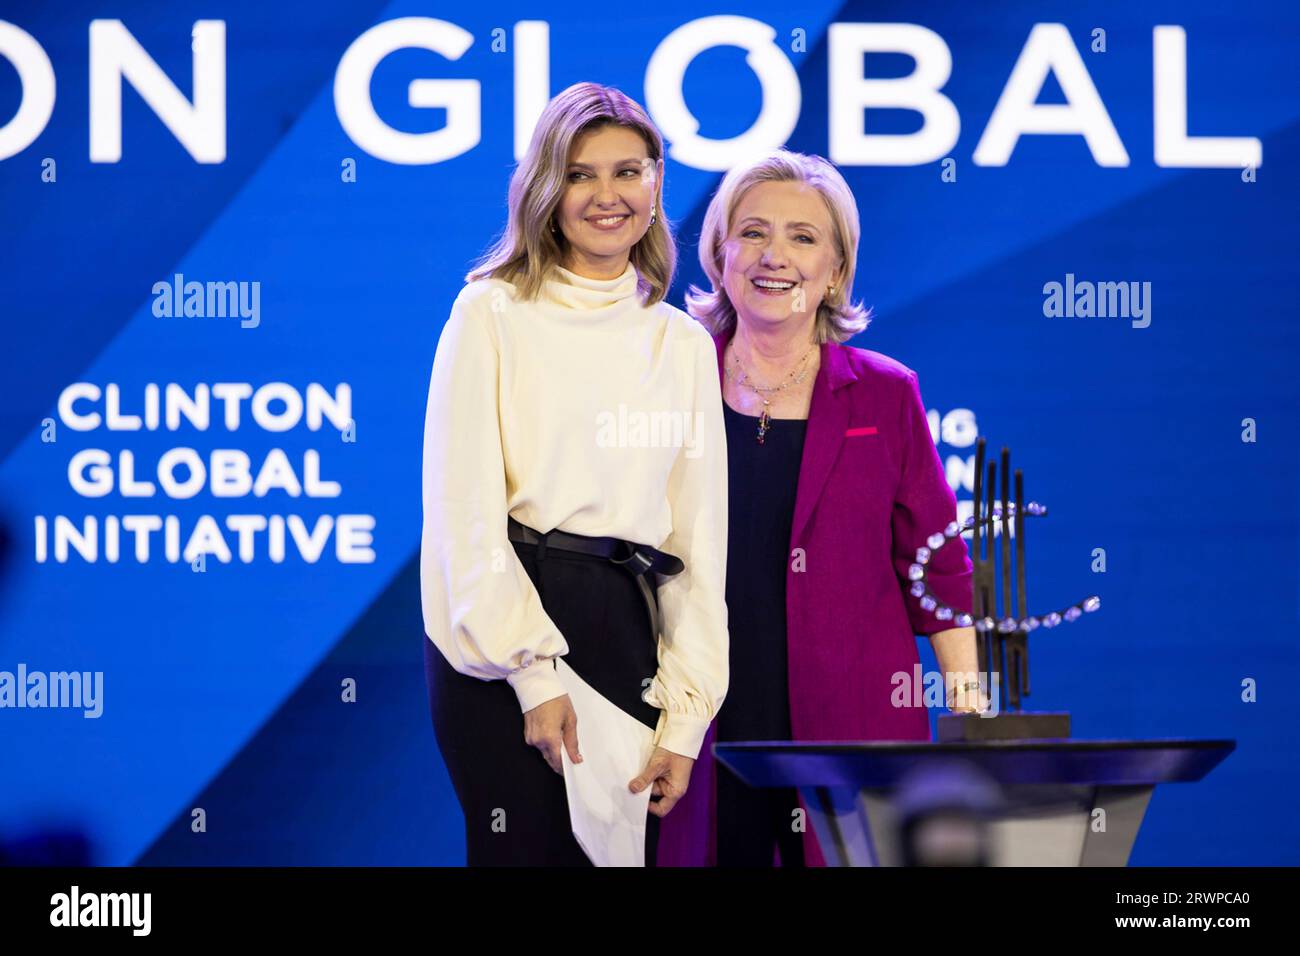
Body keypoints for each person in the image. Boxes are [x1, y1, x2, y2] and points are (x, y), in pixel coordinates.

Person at [419, 82, 729, 866]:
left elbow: (698, 543)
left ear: (657, 184)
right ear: (546, 190)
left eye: (628, 172)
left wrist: (687, 720)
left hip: (627, 631)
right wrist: (532, 676)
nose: (607, 196)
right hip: (505, 635)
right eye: (581, 174)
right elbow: (464, 514)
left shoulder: (682, 343)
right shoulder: (490, 313)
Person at [657, 150, 985, 868]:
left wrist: (973, 718)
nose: (776, 255)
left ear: (836, 269)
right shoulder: (666, 381)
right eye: (753, 232)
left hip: (853, 728)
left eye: (804, 238)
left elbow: (939, 567)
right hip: (693, 723)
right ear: (717, 253)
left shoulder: (884, 394)